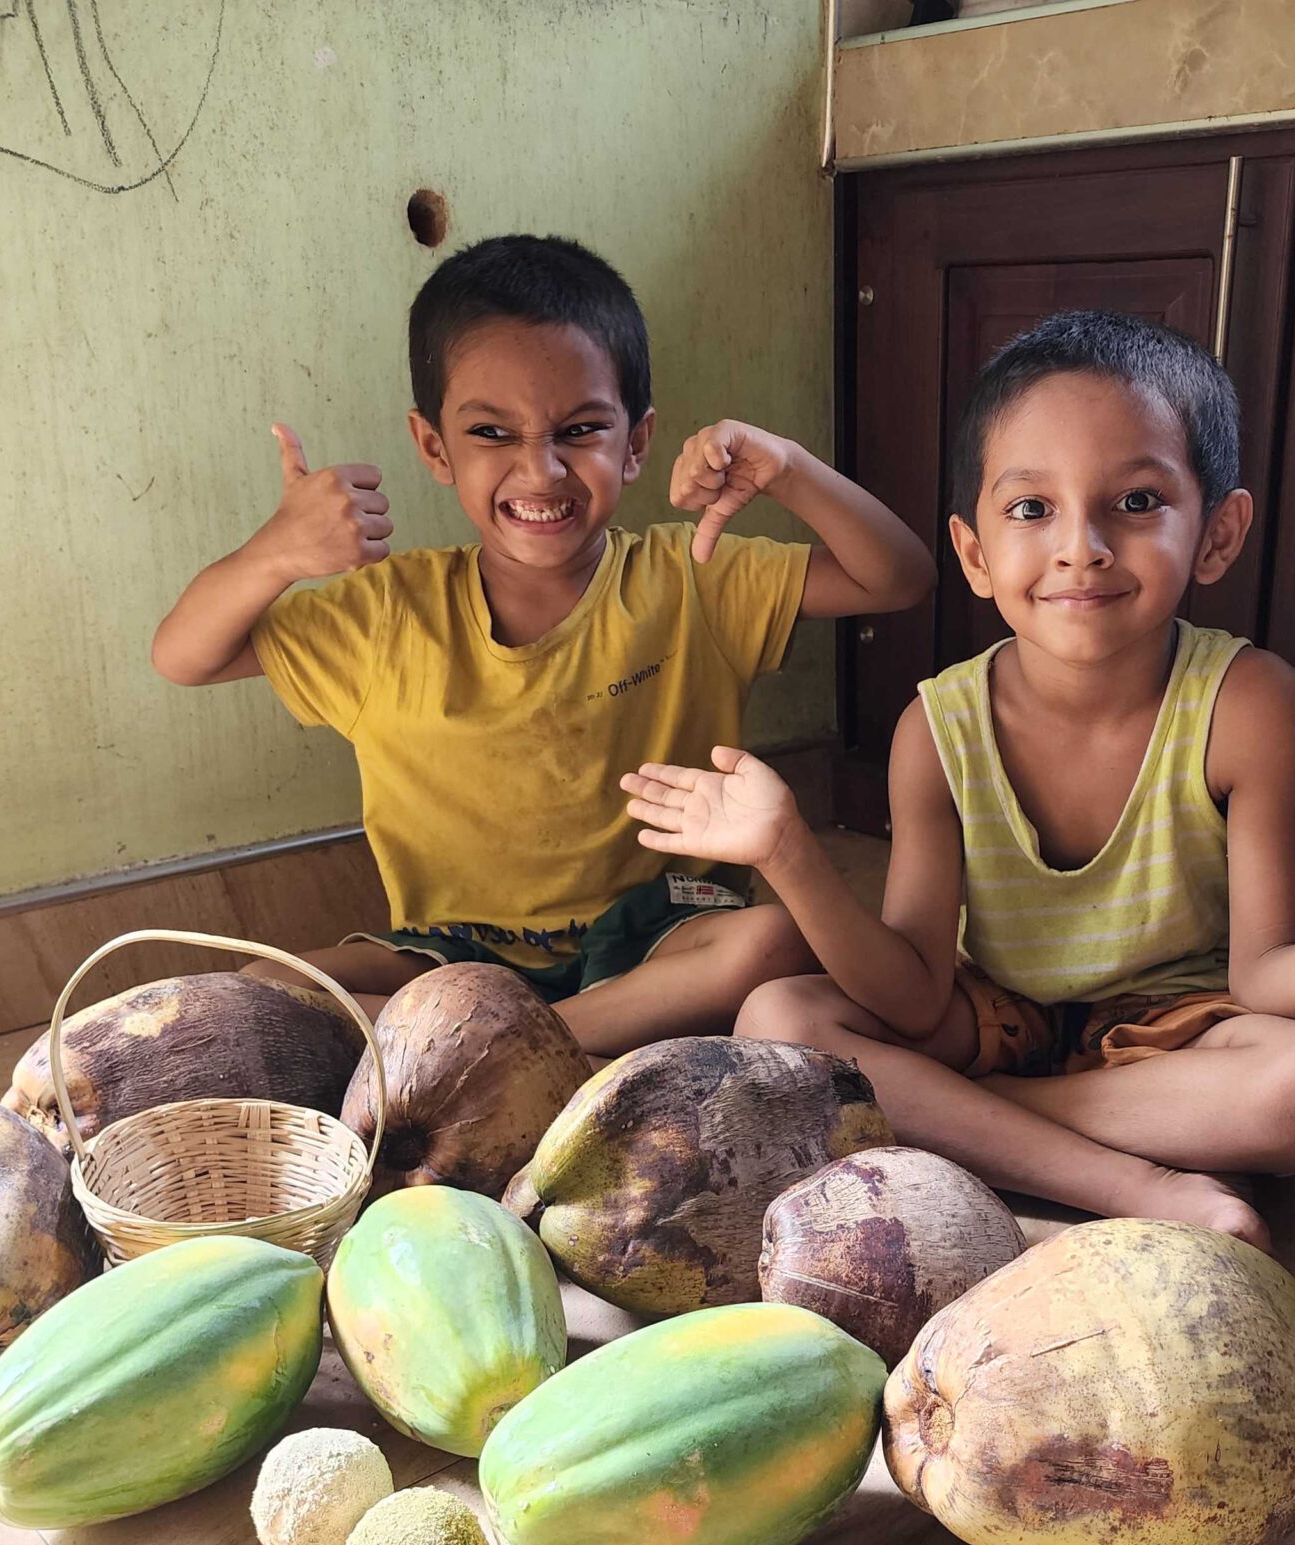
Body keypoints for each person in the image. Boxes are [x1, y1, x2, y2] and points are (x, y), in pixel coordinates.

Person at [621, 310, 1295, 1248]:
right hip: (990, 1017)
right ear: (975, 554)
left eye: (1133, 501)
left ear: (1216, 534)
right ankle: (1130, 1184)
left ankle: (967, 1124)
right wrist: (789, 855)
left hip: (1173, 1027)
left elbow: (1264, 983)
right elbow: (912, 989)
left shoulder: (1249, 705)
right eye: (1030, 509)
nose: (1079, 548)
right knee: (777, 1019)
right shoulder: (933, 730)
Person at [150, 234, 934, 1052]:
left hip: (659, 934)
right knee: (262, 990)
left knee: (772, 943)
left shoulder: (691, 575)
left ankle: (495, 1050)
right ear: (433, 446)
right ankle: (535, 1041)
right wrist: (276, 553)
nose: (541, 470)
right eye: (492, 433)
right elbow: (184, 656)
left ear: (635, 442)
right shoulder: (386, 616)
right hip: (453, 957)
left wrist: (789, 469)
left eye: (580, 429)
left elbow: (898, 577)